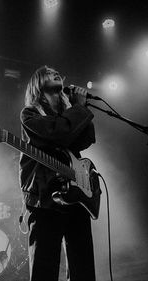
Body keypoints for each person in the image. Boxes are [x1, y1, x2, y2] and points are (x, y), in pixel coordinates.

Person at [19, 65, 97, 281]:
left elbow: (86, 139)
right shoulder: (30, 114)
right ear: (37, 83)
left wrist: (76, 106)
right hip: (45, 199)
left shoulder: (68, 114)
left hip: (75, 196)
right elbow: (58, 134)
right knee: (44, 269)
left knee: (83, 267)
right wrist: (78, 109)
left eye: (56, 72)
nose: (54, 73)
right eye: (48, 73)